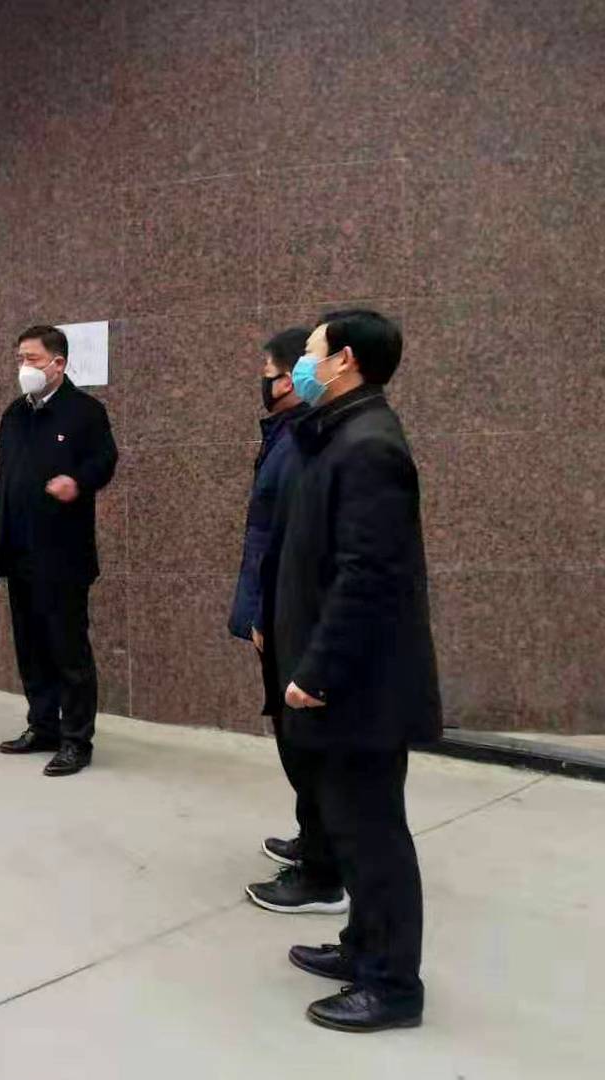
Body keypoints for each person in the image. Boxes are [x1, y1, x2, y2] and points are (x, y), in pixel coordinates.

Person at [260, 309, 441, 1033]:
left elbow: (368, 577)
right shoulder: (335, 433)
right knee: (349, 826)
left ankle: (393, 986)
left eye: (311, 352)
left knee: (374, 836)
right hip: (335, 679)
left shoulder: (369, 447)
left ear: (344, 362)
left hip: (357, 686)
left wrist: (317, 671)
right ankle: (363, 947)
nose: (300, 365)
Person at [231, 328, 349, 917]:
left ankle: (324, 873)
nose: (269, 380)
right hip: (277, 608)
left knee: (306, 744)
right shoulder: (288, 436)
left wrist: (264, 613)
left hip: (289, 615)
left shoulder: (310, 443)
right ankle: (314, 840)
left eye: (273, 371)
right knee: (295, 741)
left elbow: (286, 545)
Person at [0, 325, 118, 777]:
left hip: (63, 555)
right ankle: (42, 725)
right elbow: (2, 478)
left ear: (58, 364)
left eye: (33, 359)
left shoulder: (85, 412)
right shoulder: (14, 414)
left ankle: (76, 739)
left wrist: (76, 482)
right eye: (20, 358)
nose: (24, 367)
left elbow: (105, 461)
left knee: (67, 648)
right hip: (19, 550)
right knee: (31, 646)